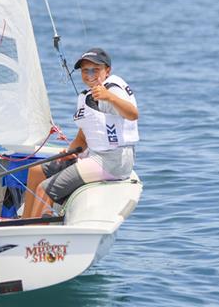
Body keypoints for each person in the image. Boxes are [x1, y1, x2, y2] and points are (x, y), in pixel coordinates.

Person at [23, 47, 139, 219]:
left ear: (107, 71)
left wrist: (110, 97)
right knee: (36, 171)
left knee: (44, 188)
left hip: (112, 163)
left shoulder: (112, 89)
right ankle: (24, 222)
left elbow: (133, 114)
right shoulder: (87, 96)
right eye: (85, 70)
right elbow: (84, 136)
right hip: (93, 157)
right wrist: (70, 152)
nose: (90, 74)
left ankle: (36, 235)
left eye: (95, 69)